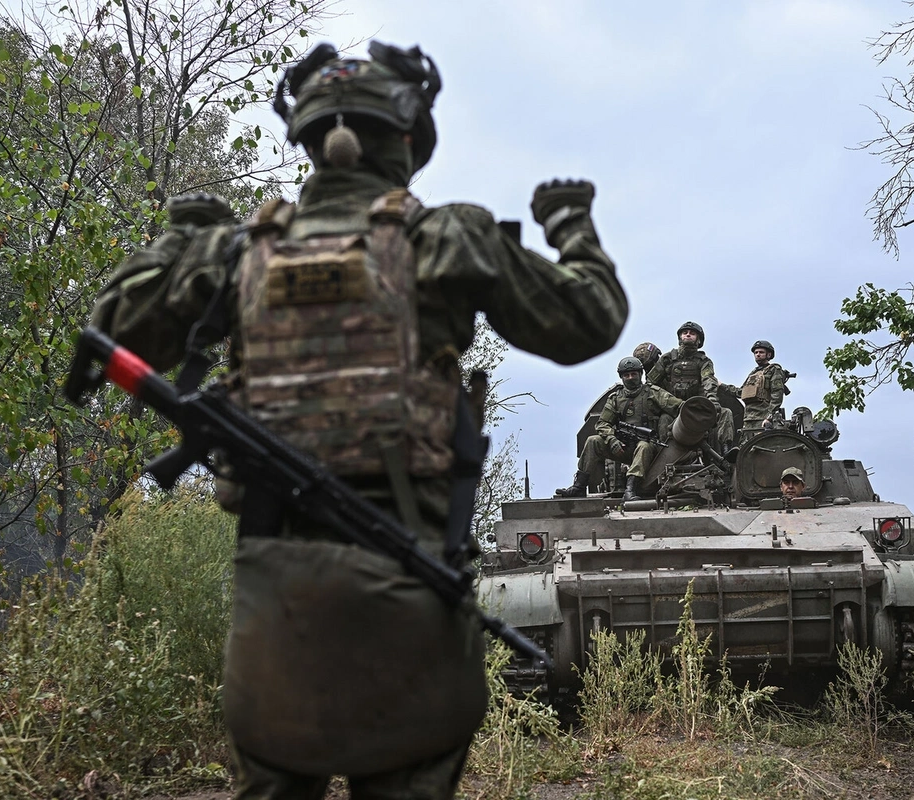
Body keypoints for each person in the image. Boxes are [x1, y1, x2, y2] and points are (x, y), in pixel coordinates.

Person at [89, 40, 628, 800]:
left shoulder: (238, 253)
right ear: (408, 139)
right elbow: (589, 321)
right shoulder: (445, 238)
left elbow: (111, 328)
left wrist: (182, 244)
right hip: (412, 590)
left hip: (276, 601)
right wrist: (572, 224)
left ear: (309, 140)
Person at [555, 356, 682, 502]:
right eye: (626, 375)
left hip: (651, 449)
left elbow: (678, 406)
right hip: (623, 447)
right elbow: (602, 424)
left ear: (640, 374)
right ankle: (579, 487)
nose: (630, 378)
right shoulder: (616, 398)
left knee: (643, 446)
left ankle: (631, 489)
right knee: (593, 441)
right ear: (621, 377)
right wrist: (612, 440)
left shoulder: (653, 393)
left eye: (633, 374)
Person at [647, 321, 732, 451]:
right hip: (672, 409)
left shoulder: (704, 362)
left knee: (725, 413)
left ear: (698, 339)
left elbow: (708, 380)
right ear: (680, 337)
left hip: (696, 408)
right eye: (685, 333)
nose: (688, 335)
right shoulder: (667, 359)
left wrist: (712, 400)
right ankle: (663, 454)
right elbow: (650, 383)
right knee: (663, 420)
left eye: (692, 333)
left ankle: (726, 450)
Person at [726, 340, 788, 439]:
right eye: (756, 353)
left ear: (769, 355)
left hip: (763, 417)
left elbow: (777, 394)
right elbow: (741, 393)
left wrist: (770, 417)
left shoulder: (774, 370)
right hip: (748, 418)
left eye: (761, 352)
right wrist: (721, 386)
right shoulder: (753, 373)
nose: (758, 355)